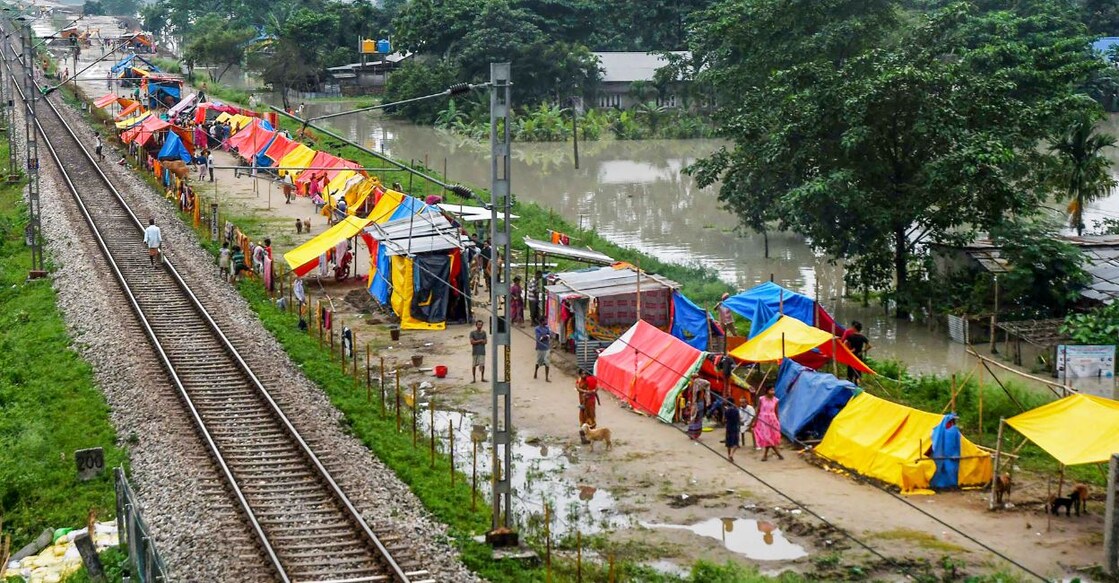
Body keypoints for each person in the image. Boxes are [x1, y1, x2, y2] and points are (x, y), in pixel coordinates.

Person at [753, 386, 784, 461]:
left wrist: (778, 422)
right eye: (771, 390)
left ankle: (767, 455)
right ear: (767, 391)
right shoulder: (761, 399)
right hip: (763, 420)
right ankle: (777, 454)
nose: (773, 392)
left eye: (773, 390)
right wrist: (755, 421)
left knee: (770, 438)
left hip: (772, 420)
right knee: (767, 438)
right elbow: (758, 410)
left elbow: (776, 412)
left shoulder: (776, 400)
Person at [843, 321, 871, 386]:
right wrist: (863, 351)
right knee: (858, 371)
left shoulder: (851, 336)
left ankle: (849, 384)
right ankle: (856, 385)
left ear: (854, 328)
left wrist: (849, 350)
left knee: (850, 371)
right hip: (859, 355)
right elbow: (869, 346)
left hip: (852, 356)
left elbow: (844, 343)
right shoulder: (862, 337)